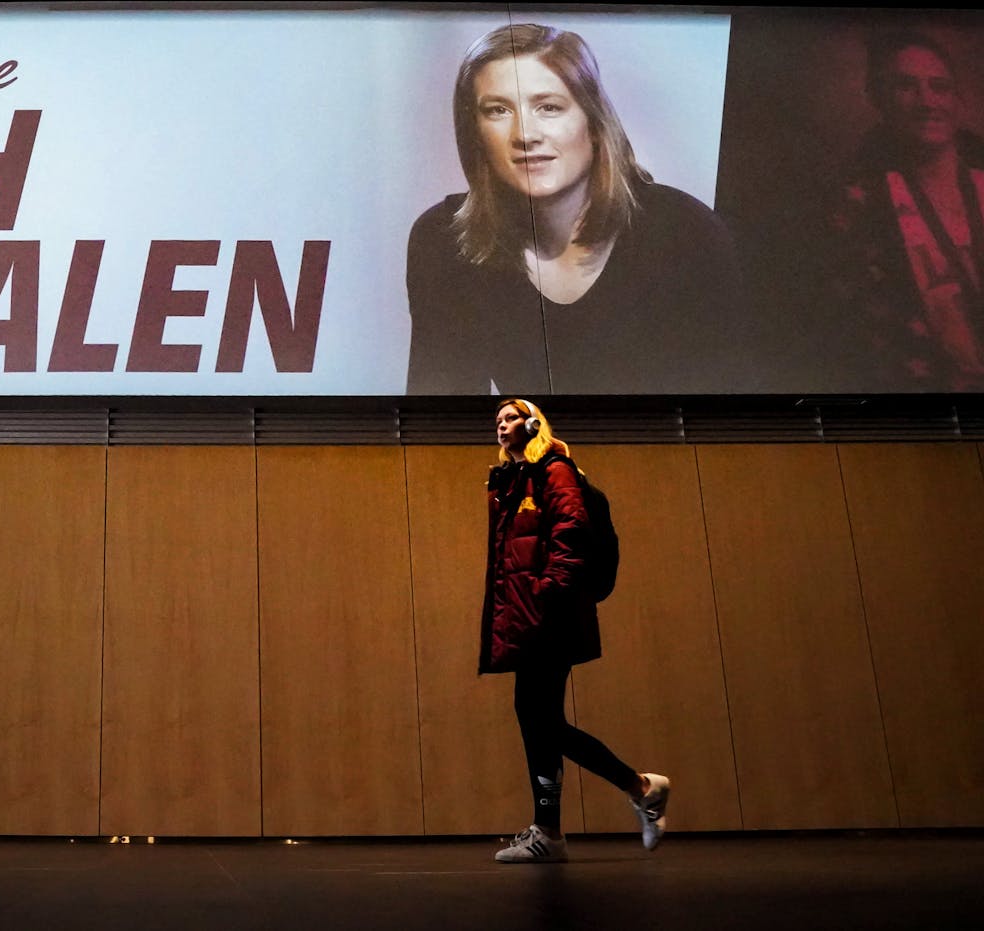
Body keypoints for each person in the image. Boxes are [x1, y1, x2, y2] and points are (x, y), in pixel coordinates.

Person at [405, 24, 745, 395]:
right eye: (499, 110)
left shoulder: (687, 234)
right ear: (475, 131)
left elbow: (725, 419)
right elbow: (442, 424)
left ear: (594, 122)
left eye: (548, 107)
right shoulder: (444, 240)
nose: (525, 134)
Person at [481, 397, 668, 863]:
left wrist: (549, 592)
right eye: (496, 421)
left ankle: (639, 787)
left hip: (551, 615)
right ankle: (554, 829)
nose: (501, 426)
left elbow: (572, 531)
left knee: (539, 718)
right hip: (529, 617)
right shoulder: (512, 480)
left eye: (509, 418)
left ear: (531, 423)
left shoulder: (554, 468)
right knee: (536, 718)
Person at [827, 30, 984, 391]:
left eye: (939, 87)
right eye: (906, 86)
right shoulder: (856, 207)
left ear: (957, 100)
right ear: (878, 99)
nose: (927, 101)